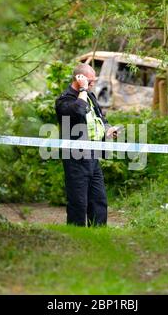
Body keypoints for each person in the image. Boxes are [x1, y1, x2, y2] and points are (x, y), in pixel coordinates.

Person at [55, 63, 120, 227]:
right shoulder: (65, 99)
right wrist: (83, 90)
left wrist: (107, 129)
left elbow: (100, 118)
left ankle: (98, 233)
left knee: (99, 199)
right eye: (90, 81)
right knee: (78, 201)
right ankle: (76, 234)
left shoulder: (90, 96)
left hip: (93, 154)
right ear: (79, 79)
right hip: (75, 156)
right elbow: (78, 111)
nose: (93, 84)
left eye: (93, 81)